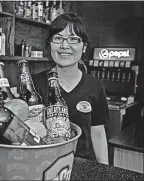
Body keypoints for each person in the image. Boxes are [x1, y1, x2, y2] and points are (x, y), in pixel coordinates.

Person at [33, 13, 109, 164]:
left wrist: (104, 171)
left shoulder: (95, 85)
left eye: (73, 39)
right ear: (49, 45)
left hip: (83, 163)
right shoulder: (34, 84)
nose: (65, 46)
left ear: (85, 47)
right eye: (58, 38)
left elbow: (98, 132)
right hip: (43, 163)